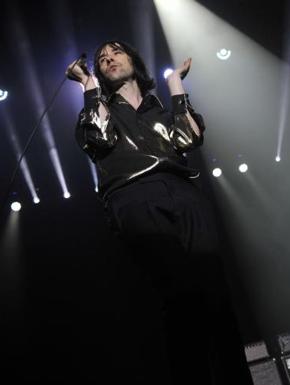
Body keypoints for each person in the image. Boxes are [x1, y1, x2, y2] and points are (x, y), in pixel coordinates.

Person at [66, 41, 251, 384]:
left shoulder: (160, 109)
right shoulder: (100, 106)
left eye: (116, 52)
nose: (108, 58)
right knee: (180, 294)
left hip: (183, 192)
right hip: (132, 195)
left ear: (133, 60)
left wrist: (175, 84)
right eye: (102, 58)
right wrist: (87, 84)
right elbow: (99, 139)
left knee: (216, 295)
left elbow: (189, 138)